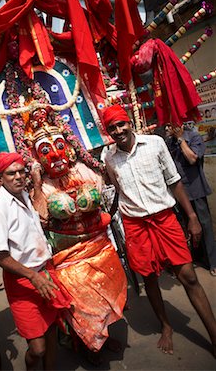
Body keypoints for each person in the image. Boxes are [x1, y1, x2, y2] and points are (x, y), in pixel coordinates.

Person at [102, 104, 216, 357]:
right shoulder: (108, 157)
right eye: (112, 128)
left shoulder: (154, 143)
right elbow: (118, 188)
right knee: (149, 278)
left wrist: (192, 217)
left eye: (121, 124)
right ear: (107, 131)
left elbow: (174, 181)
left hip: (165, 218)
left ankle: (214, 335)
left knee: (189, 276)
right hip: (135, 224)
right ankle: (166, 326)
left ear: (129, 122)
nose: (118, 130)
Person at [27, 107, 127, 360]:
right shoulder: (41, 187)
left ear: (69, 148)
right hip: (69, 258)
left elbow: (105, 197)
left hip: (100, 247)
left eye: (59, 145)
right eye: (46, 150)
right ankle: (85, 345)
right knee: (81, 306)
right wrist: (37, 183)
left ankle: (103, 337)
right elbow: (41, 218)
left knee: (105, 299)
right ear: (37, 158)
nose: (56, 154)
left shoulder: (83, 171)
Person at [0, 152, 72, 371]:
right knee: (37, 348)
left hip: (44, 273)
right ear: (0, 177)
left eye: (20, 171)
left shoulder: (24, 195)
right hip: (23, 282)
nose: (17, 177)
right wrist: (32, 276)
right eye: (10, 173)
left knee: (52, 329)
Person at [165, 123, 216, 276]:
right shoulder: (168, 143)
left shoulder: (193, 137)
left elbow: (192, 158)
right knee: (186, 227)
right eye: (166, 126)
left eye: (170, 125)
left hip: (196, 189)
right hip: (179, 192)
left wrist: (181, 139)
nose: (168, 129)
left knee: (205, 225)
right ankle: (194, 257)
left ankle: (213, 262)